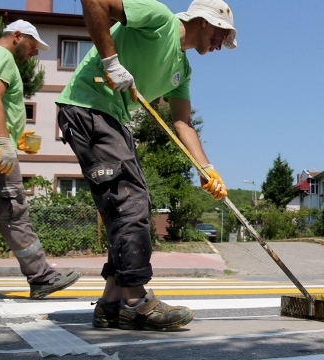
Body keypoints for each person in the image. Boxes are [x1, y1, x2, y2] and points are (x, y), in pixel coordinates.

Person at [55, 0, 236, 331]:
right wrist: (110, 62)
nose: (221, 44)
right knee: (130, 203)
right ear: (205, 22)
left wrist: (206, 168)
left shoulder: (183, 68)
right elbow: (94, 2)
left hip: (113, 118)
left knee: (125, 205)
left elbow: (183, 123)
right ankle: (137, 302)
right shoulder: (159, 19)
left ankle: (111, 304)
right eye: (223, 34)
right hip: (89, 107)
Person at [0, 20, 81, 299]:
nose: (35, 52)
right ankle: (41, 277)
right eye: (32, 45)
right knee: (13, 212)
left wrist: (12, 135)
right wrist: (3, 142)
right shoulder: (1, 56)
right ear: (17, 36)